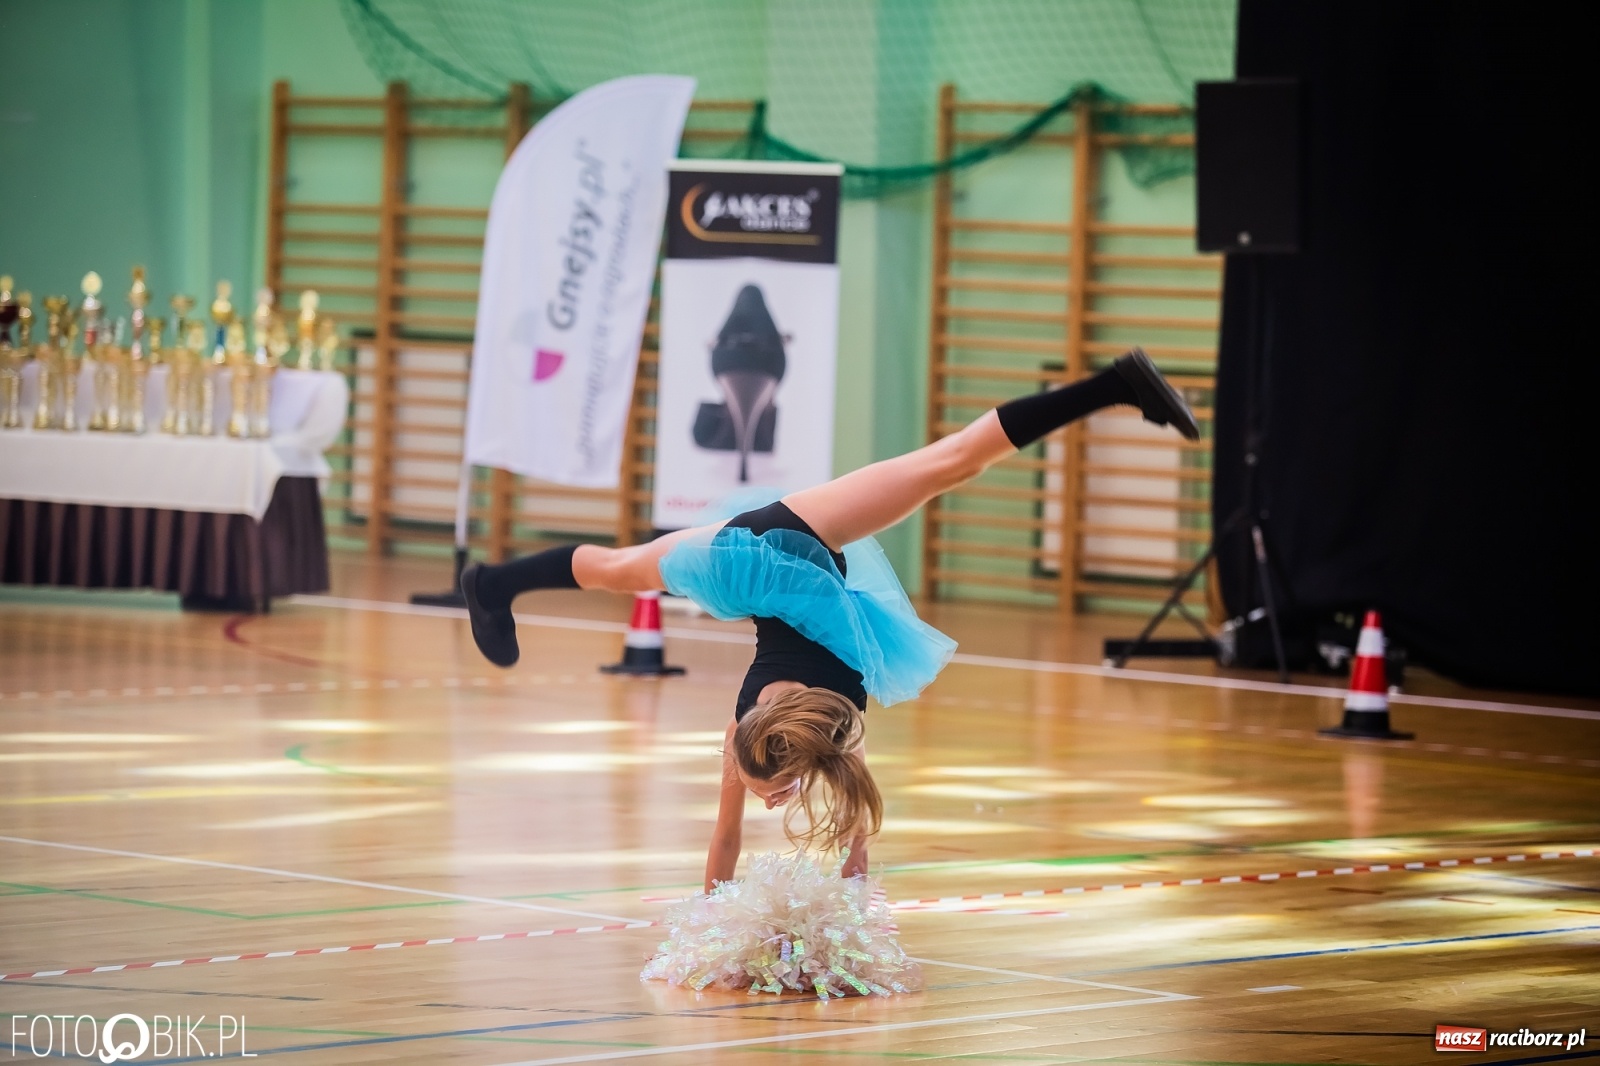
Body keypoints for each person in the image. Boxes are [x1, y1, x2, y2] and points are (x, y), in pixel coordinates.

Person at [461, 347, 1198, 892]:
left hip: (752, 565)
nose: (772, 802)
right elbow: (847, 845)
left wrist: (714, 931)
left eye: (769, 793)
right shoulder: (825, 732)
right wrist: (848, 910)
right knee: (622, 568)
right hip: (787, 561)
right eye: (776, 793)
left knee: (952, 462)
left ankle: (1117, 384)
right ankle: (491, 584)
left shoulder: (788, 733)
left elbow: (728, 843)